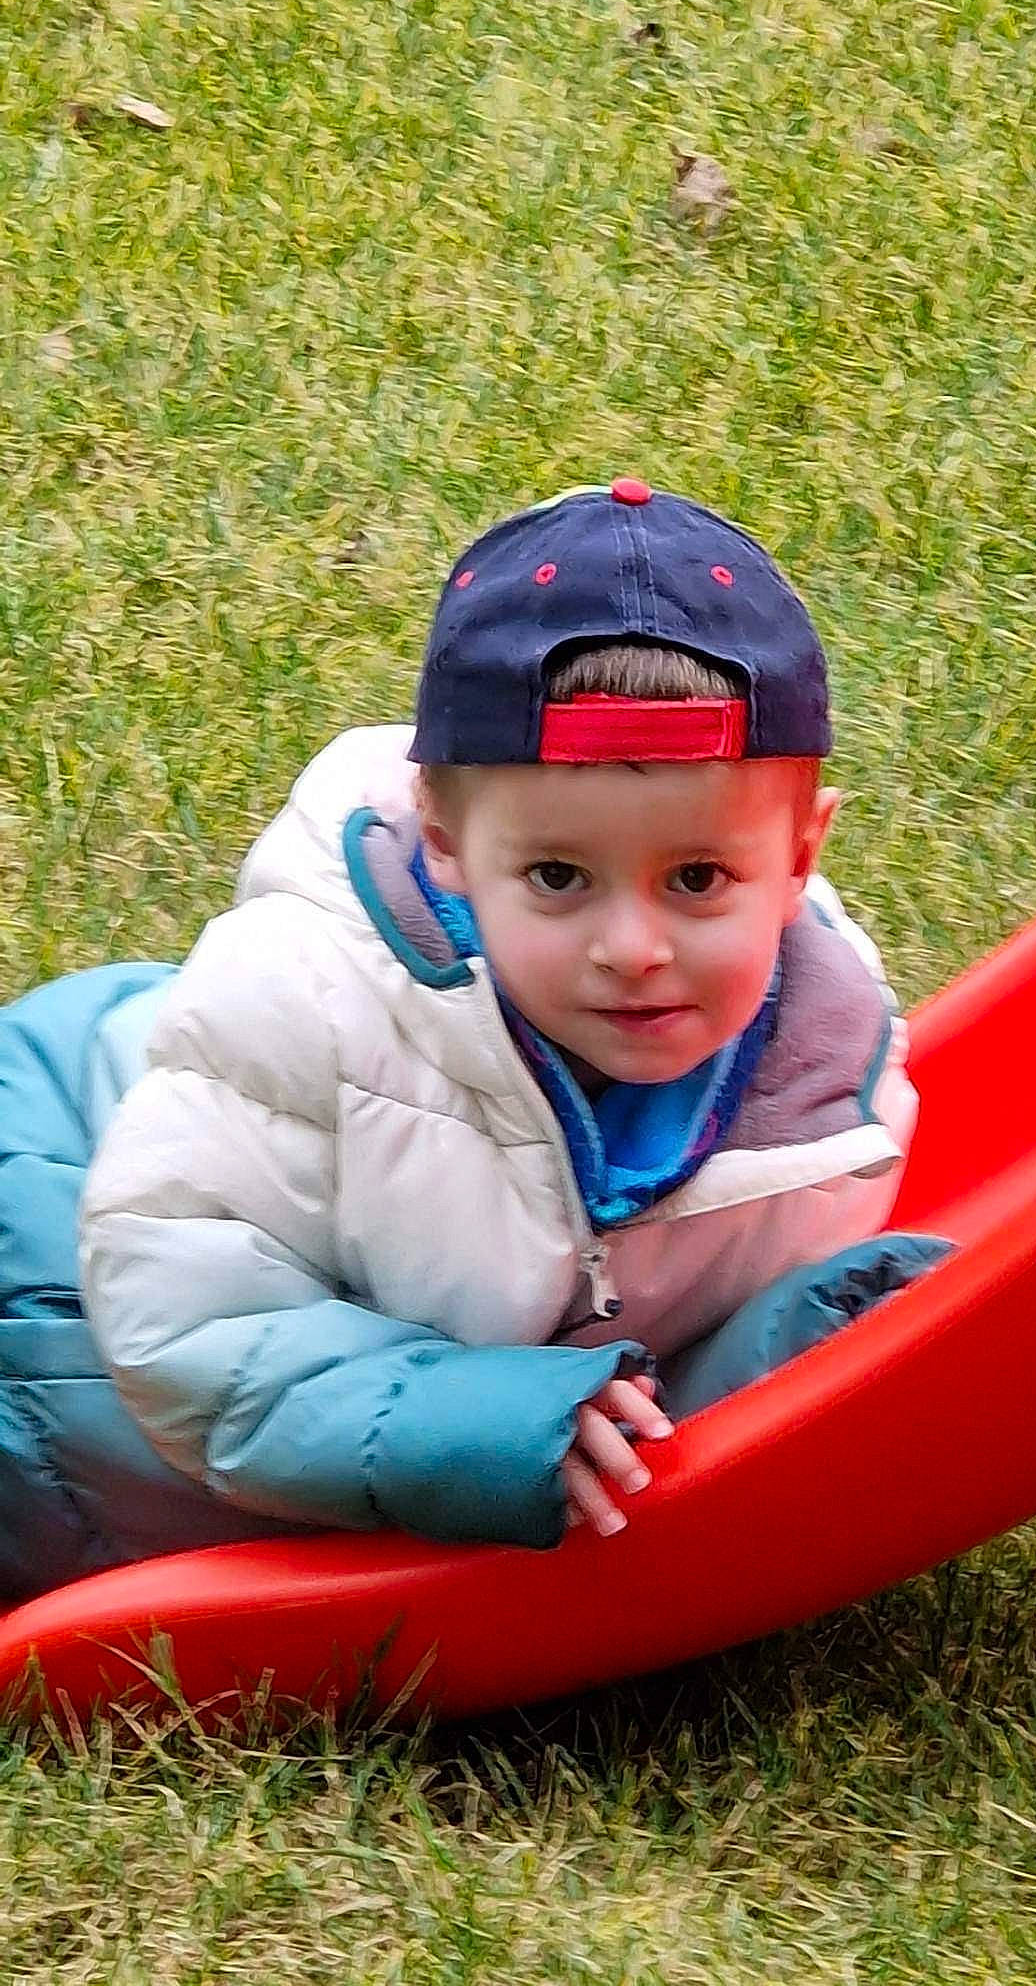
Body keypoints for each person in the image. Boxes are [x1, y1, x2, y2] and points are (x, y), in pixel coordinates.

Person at [59, 478, 945, 1579]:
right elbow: (183, 1326)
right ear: (443, 840)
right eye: (559, 876)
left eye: (699, 876)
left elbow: (647, 1384)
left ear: (802, 853)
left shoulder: (827, 1097)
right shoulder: (300, 1007)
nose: (633, 945)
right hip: (54, 1244)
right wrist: (475, 1415)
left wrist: (796, 1351)